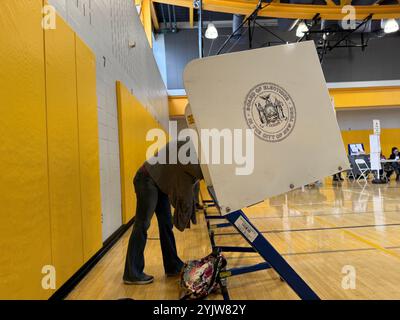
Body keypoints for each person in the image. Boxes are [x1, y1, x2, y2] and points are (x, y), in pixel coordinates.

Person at [123, 140, 203, 285]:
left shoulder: (193, 146)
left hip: (159, 184)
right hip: (146, 178)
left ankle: (172, 265)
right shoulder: (189, 148)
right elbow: (198, 172)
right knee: (142, 224)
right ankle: (132, 273)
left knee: (166, 224)